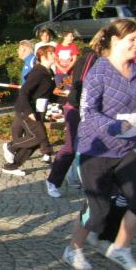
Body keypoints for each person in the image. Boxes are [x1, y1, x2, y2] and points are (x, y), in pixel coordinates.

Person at [62, 19, 136, 270]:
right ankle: (73, 248)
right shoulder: (99, 71)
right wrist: (115, 126)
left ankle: (120, 248)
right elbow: (87, 112)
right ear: (116, 41)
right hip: (95, 150)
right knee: (98, 210)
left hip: (126, 150)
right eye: (133, 40)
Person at [45, 36, 100, 197]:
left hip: (89, 108)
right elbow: (80, 84)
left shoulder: (102, 59)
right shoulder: (90, 58)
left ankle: (75, 177)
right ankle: (53, 181)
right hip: (76, 107)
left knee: (89, 146)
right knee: (70, 147)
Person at [1, 45, 56, 175]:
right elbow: (24, 92)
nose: (55, 55)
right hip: (26, 109)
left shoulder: (48, 72)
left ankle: (12, 166)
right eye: (52, 53)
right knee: (39, 136)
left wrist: (68, 98)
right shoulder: (38, 72)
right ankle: (11, 146)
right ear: (43, 56)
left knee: (36, 139)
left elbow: (47, 94)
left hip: (37, 110)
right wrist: (29, 111)